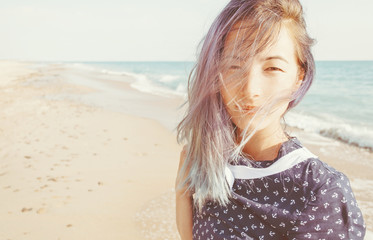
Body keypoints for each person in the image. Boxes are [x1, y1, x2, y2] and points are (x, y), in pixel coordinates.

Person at [175, 0, 366, 239]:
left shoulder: (320, 190)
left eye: (272, 68)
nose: (250, 88)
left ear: (299, 76)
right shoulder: (208, 159)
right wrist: (182, 193)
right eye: (234, 66)